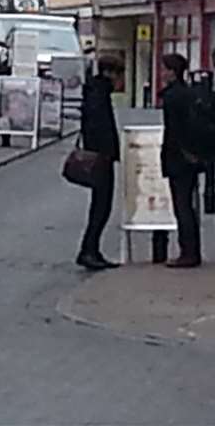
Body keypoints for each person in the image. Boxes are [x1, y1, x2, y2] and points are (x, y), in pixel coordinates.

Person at [77, 56, 122, 271]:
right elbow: (99, 126)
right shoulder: (99, 94)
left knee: (100, 206)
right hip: (101, 158)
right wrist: (106, 152)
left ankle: (91, 249)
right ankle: (89, 250)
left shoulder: (94, 91)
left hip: (99, 156)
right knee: (101, 207)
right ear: (111, 73)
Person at [160, 52, 203, 268]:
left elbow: (175, 130)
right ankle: (192, 249)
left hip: (178, 157)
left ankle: (188, 251)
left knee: (182, 206)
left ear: (173, 72)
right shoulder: (189, 94)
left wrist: (180, 152)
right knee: (188, 204)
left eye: (165, 69)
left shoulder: (171, 97)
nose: (162, 73)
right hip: (190, 157)